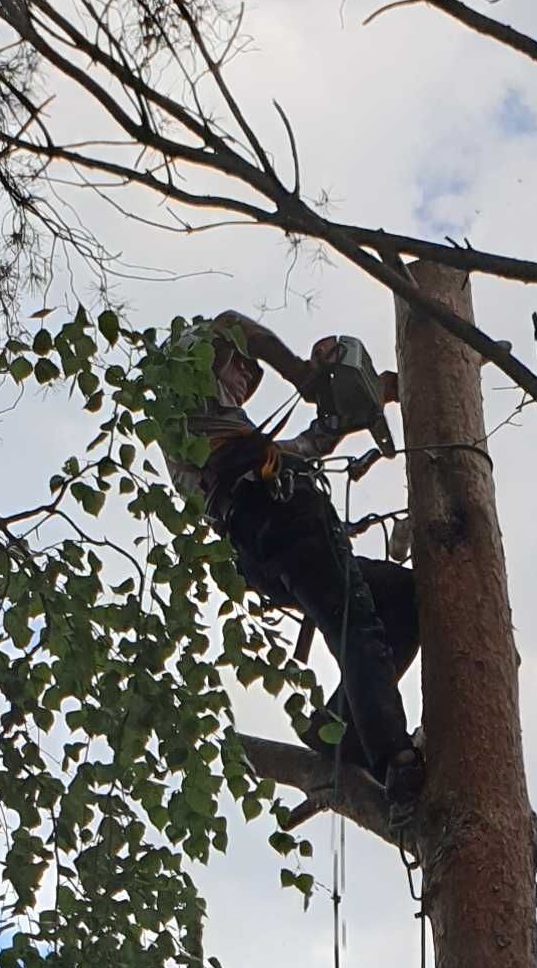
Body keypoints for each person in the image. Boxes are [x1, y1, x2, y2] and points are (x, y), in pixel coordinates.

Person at [179, 317, 424, 813]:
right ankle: (396, 761)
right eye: (241, 371)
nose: (246, 382)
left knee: (401, 597)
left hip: (265, 544)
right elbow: (230, 324)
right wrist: (300, 374)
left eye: (253, 377)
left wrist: (335, 425)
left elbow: (297, 452)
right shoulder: (186, 382)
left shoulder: (228, 432)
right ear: (216, 363)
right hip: (280, 518)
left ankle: (341, 730)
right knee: (354, 624)